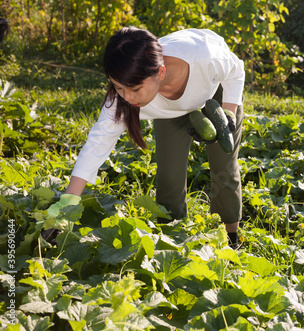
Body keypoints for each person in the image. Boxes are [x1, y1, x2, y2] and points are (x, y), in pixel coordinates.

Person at [44, 27, 245, 248]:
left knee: (223, 165)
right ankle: (171, 239)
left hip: (215, 92)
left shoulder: (204, 56)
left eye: (135, 89)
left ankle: (230, 237)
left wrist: (228, 114)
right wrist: (66, 204)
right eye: (119, 87)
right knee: (169, 174)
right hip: (168, 107)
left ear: (160, 72)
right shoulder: (123, 100)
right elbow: (95, 146)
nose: (128, 98)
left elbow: (236, 72)